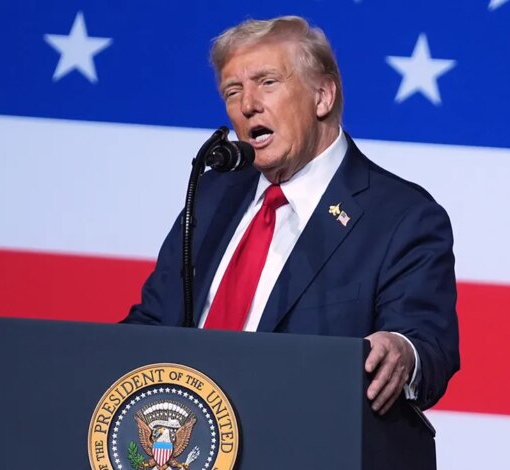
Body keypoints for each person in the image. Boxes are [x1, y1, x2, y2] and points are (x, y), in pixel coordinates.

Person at [123, 16, 459, 413]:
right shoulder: (212, 195)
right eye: (233, 91)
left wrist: (403, 350)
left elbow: (427, 344)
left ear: (322, 97)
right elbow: (151, 325)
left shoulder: (401, 216)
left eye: (267, 82)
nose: (248, 105)